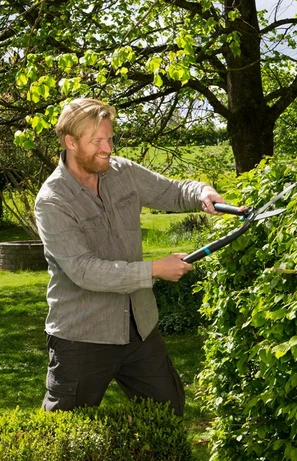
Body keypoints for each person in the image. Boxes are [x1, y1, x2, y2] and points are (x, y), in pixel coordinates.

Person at [34, 97, 226, 416]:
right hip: (82, 338)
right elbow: (83, 271)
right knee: (65, 436)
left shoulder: (122, 172)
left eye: (110, 138)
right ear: (70, 142)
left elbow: (173, 192)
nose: (107, 147)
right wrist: (153, 270)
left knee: (167, 414)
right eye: (97, 140)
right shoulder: (53, 201)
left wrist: (202, 192)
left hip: (139, 329)